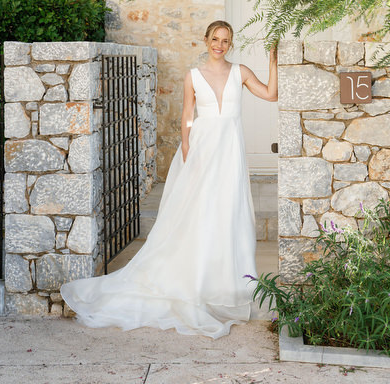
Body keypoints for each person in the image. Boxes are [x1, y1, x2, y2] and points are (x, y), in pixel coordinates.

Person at [61, 20, 278, 339]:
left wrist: (273, 59)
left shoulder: (241, 72)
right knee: (198, 215)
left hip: (230, 154)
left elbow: (271, 94)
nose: (220, 44)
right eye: (215, 39)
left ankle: (223, 285)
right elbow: (187, 116)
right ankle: (195, 279)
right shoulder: (193, 76)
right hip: (203, 153)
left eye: (226, 40)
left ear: (230, 44)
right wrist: (188, 149)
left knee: (228, 214)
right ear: (205, 40)